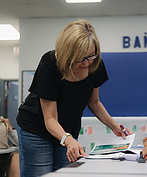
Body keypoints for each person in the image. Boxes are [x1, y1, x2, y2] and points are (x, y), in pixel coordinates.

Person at [16, 19, 131, 177]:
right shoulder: (50, 65)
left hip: (68, 129)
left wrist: (114, 126)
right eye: (80, 58)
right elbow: (50, 119)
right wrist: (67, 139)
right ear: (67, 54)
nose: (86, 63)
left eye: (91, 56)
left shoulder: (95, 65)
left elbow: (94, 102)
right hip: (36, 129)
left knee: (66, 174)